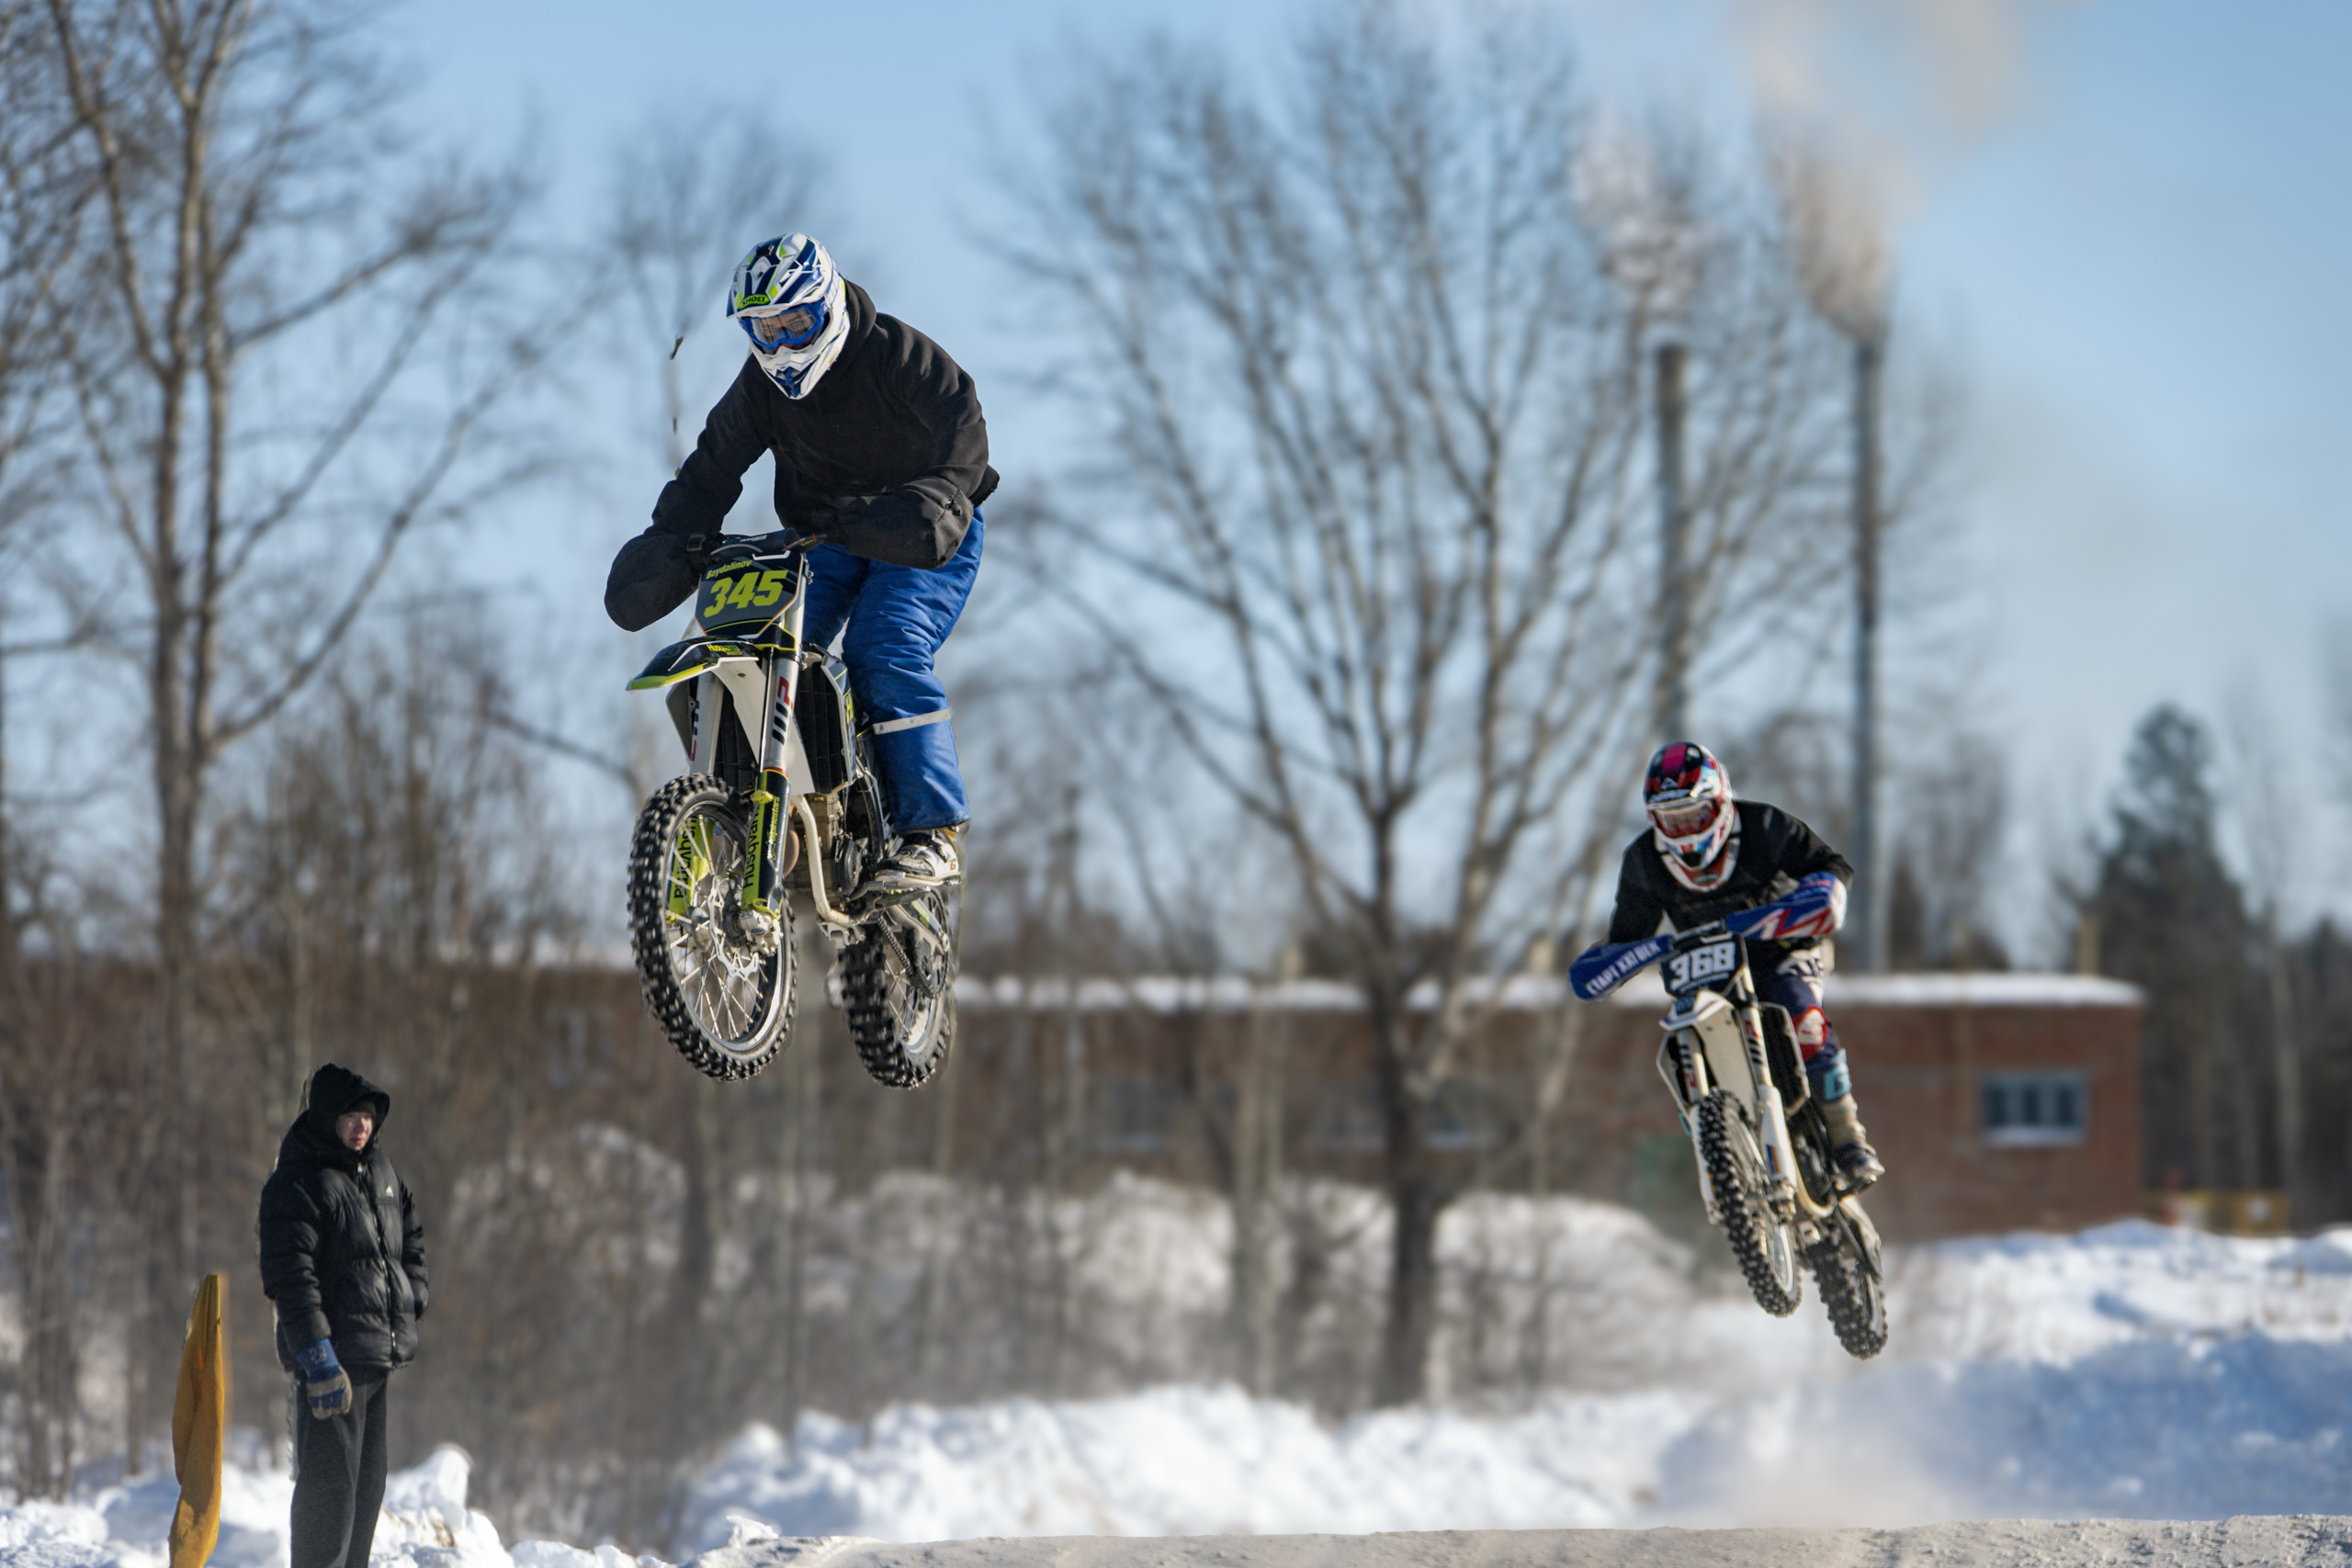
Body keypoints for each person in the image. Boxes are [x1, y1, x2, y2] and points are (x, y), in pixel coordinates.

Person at [604, 231, 998, 903]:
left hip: (928, 530)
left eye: (798, 323)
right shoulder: (761, 389)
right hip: (826, 538)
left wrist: (935, 499)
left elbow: (963, 426)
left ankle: (931, 830)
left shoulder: (894, 355)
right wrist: (675, 538)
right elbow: (712, 468)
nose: (784, 344)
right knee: (754, 648)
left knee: (882, 642)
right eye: (765, 328)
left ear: (831, 304)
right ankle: (781, 808)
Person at [1567, 741, 1885, 1187]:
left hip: (1783, 950)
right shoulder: (1643, 862)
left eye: (1693, 815)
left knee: (1803, 1018)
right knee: (1679, 1050)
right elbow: (1627, 937)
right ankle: (1717, 1154)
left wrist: (1822, 893)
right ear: (1653, 819)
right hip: (1701, 973)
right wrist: (1603, 962)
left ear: (1719, 803)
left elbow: (1829, 864)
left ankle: (1847, 1133)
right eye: (1671, 819)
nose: (1684, 829)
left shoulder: (1763, 826)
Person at [257, 1064, 429, 1568]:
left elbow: (412, 1235)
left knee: (366, 1492)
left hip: (376, 1355)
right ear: (327, 1117)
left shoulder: (381, 1171)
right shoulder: (298, 1182)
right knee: (328, 1494)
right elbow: (290, 1279)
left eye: (369, 1118)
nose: (361, 1127)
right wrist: (317, 1355)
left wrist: (409, 1298)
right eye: (351, 1117)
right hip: (331, 1364)